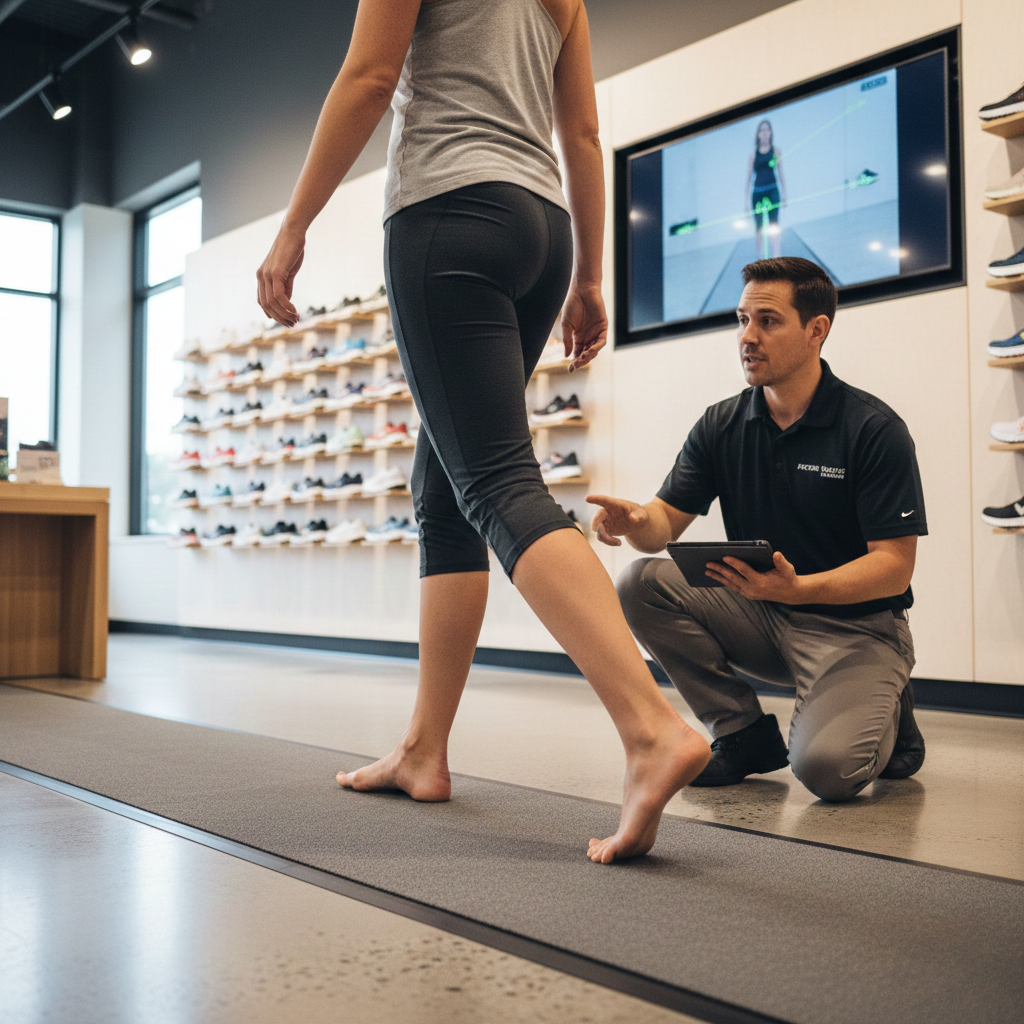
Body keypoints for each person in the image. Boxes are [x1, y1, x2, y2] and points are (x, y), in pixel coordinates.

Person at [256, 0, 711, 863]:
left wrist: (293, 225)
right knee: (445, 489)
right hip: (541, 230)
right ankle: (425, 750)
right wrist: (588, 275)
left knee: (497, 480)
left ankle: (652, 728)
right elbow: (580, 132)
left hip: (448, 212)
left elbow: (369, 76)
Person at [590, 257, 927, 803]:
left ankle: (889, 706)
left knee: (826, 773)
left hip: (856, 630)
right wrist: (635, 521)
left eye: (767, 322)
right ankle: (740, 733)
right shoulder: (721, 424)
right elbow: (661, 527)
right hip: (763, 615)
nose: (747, 337)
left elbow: (894, 566)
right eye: (741, 320)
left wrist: (801, 590)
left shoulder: (872, 428)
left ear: (817, 330)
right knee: (640, 581)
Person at [745, 119, 787, 259]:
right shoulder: (753, 156)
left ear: (770, 133)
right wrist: (745, 202)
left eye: (766, 130)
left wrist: (785, 194)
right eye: (761, 130)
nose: (764, 133)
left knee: (774, 224)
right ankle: (761, 258)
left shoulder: (776, 152)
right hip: (757, 193)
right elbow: (749, 178)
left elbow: (781, 173)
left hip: (772, 190)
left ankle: (777, 256)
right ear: (758, 134)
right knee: (759, 229)